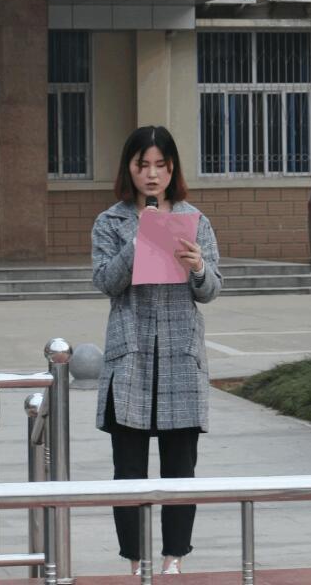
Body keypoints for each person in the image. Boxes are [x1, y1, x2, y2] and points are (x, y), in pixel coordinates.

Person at [90, 126, 222, 576]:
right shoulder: (110, 222)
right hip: (130, 358)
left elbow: (211, 290)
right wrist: (138, 242)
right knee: (128, 471)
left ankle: (173, 558)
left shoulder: (195, 220)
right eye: (142, 165)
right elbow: (105, 282)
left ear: (172, 168)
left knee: (180, 468)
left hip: (180, 357)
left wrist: (198, 266)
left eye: (160, 165)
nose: (151, 174)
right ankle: (134, 559)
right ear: (128, 168)